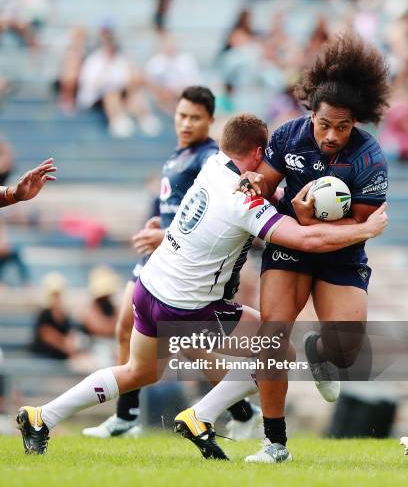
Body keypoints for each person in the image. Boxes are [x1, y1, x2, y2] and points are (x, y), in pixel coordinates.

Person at [15, 113, 387, 455]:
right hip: (189, 307)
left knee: (139, 372)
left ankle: (41, 417)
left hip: (150, 288)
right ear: (259, 153)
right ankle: (200, 415)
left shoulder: (212, 167)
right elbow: (305, 241)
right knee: (278, 349)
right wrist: (364, 229)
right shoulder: (245, 202)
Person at [234, 33, 390, 463]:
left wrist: (311, 221)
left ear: (355, 121)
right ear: (311, 114)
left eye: (343, 126)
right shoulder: (289, 137)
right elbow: (265, 182)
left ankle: (319, 352)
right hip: (291, 248)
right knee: (272, 334)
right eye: (324, 124)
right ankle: (275, 442)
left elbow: (361, 224)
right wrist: (256, 185)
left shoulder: (369, 158)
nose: (332, 135)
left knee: (347, 349)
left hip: (340, 252)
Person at [82, 86, 259, 440]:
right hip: (160, 253)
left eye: (195, 117)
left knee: (168, 339)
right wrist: (156, 225)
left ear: (210, 121)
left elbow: (209, 215)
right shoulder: (181, 154)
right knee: (148, 335)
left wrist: (163, 235)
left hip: (177, 257)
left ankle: (127, 416)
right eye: (181, 115)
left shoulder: (209, 158)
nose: (186, 123)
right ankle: (235, 410)